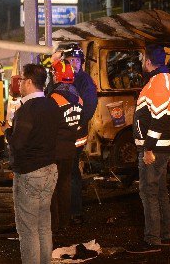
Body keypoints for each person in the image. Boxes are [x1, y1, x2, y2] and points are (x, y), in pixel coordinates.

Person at [2, 63, 61, 264]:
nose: (18, 84)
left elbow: (18, 143)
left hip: (30, 173)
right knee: (44, 225)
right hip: (50, 170)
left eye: (21, 80)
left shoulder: (27, 109)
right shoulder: (52, 104)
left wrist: (8, 131)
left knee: (28, 229)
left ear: (28, 82)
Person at [126, 44, 170, 254]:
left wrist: (148, 149)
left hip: (154, 149)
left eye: (142, 59)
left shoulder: (158, 83)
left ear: (148, 62)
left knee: (149, 193)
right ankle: (163, 237)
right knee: (160, 192)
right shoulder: (164, 80)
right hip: (161, 147)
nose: (140, 62)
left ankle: (152, 240)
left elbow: (160, 119)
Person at [61, 44, 98, 224]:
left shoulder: (84, 81)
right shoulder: (61, 79)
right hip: (62, 135)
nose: (73, 63)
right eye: (70, 60)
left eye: (76, 60)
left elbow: (89, 106)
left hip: (75, 135)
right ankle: (65, 210)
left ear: (81, 62)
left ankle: (75, 212)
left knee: (72, 171)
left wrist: (78, 123)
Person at [47, 60, 83, 232]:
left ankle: (54, 225)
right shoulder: (79, 98)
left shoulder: (54, 98)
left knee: (53, 188)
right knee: (65, 185)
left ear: (57, 76)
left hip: (55, 150)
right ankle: (65, 223)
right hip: (70, 149)